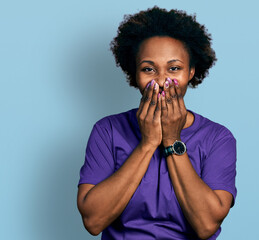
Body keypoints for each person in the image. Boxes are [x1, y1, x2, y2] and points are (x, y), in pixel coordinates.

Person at [77, 6, 237, 240]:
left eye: (174, 68)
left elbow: (206, 226)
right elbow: (93, 221)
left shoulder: (217, 138)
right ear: (135, 74)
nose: (162, 81)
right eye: (148, 69)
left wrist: (172, 140)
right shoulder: (107, 131)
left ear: (191, 71)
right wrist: (148, 143)